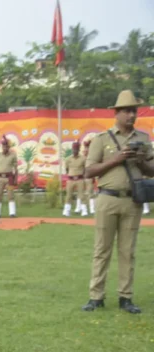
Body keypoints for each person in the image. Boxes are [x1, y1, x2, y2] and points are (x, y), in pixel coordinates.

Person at [82, 90, 154, 314]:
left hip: (132, 201)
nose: (131, 115)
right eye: (126, 111)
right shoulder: (101, 139)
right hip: (107, 198)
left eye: (134, 111)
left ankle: (126, 297)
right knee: (102, 249)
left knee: (127, 251)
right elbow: (89, 170)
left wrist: (141, 162)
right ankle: (96, 296)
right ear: (117, 113)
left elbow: (152, 170)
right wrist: (117, 159)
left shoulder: (143, 139)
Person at [0, 136, 18, 218]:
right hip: (0, 178)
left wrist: (15, 179)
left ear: (8, 147)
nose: (4, 148)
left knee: (10, 195)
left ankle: (12, 213)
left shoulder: (13, 155)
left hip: (9, 178)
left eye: (6, 146)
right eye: (3, 146)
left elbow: (16, 168)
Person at [63, 142, 87, 217]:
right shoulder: (68, 159)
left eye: (76, 149)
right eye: (74, 149)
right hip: (70, 179)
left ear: (78, 149)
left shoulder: (83, 158)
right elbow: (67, 169)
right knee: (69, 195)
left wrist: (82, 176)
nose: (75, 151)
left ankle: (84, 211)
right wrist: (71, 175)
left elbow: (85, 169)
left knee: (82, 195)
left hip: (80, 179)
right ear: (72, 149)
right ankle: (67, 210)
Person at [82, 139, 96, 215]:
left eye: (87, 148)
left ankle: (91, 209)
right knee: (84, 193)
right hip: (83, 177)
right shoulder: (83, 158)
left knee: (90, 193)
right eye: (85, 148)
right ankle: (84, 209)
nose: (85, 150)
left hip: (89, 177)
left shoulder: (91, 157)